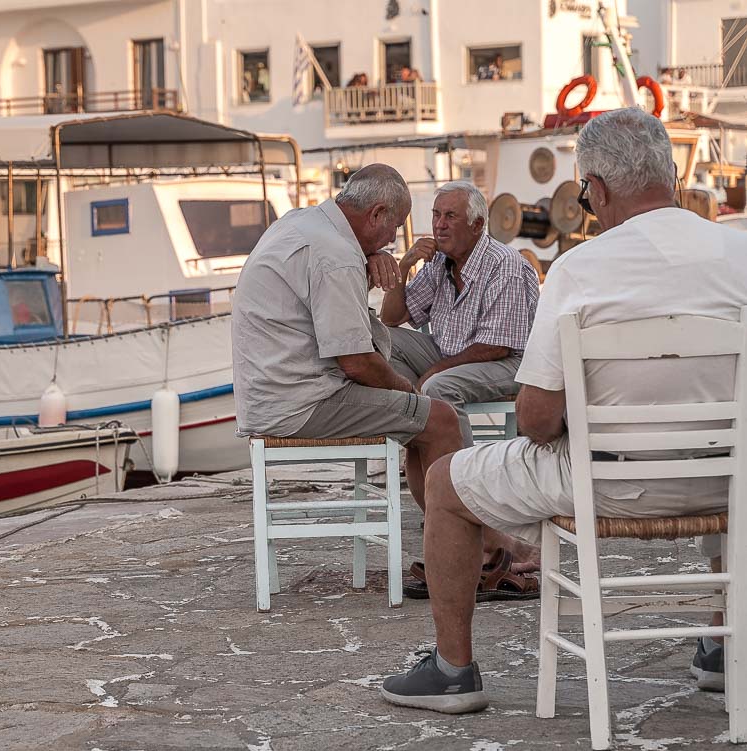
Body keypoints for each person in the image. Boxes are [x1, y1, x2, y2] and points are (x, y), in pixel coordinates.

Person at [379, 107, 747, 715]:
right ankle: (719, 645)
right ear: (673, 175)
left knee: (444, 482)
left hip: (606, 485)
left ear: (596, 190)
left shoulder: (579, 269)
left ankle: (452, 671)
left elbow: (537, 421)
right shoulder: (739, 255)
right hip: (724, 481)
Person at [233, 165, 464, 520]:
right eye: (396, 226)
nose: (393, 238)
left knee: (422, 421)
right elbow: (356, 362)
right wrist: (406, 390)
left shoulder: (302, 223)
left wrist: (368, 257)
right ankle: (477, 548)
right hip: (300, 405)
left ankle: (447, 532)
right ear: (376, 215)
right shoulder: (336, 255)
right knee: (441, 419)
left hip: (271, 397)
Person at [380, 181, 541, 596]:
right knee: (379, 340)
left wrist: (432, 372)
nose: (440, 224)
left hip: (507, 362)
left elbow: (498, 344)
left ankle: (471, 514)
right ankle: (429, 449)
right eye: (436, 215)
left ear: (477, 223)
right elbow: (392, 317)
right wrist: (405, 264)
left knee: (437, 386)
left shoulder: (503, 264)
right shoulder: (438, 263)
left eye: (450, 216)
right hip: (451, 354)